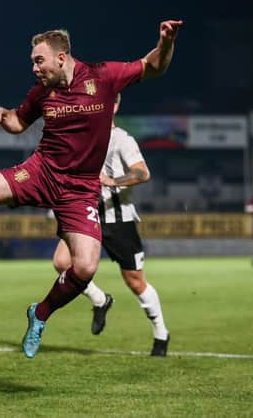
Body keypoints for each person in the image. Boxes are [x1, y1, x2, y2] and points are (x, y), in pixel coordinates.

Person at [0, 21, 182, 358]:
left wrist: (166, 41)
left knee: (84, 267)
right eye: (33, 62)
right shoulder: (42, 92)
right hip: (42, 171)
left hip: (80, 191)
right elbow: (18, 123)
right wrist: (0, 111)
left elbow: (154, 66)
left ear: (61, 57)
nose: (34, 68)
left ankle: (39, 314)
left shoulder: (104, 76)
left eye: (39, 61)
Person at [52, 93, 170, 356]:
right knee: (62, 262)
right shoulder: (81, 138)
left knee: (136, 282)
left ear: (115, 106)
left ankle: (161, 333)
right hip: (85, 215)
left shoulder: (122, 140)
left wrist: (112, 181)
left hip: (119, 221)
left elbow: (143, 172)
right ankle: (100, 299)